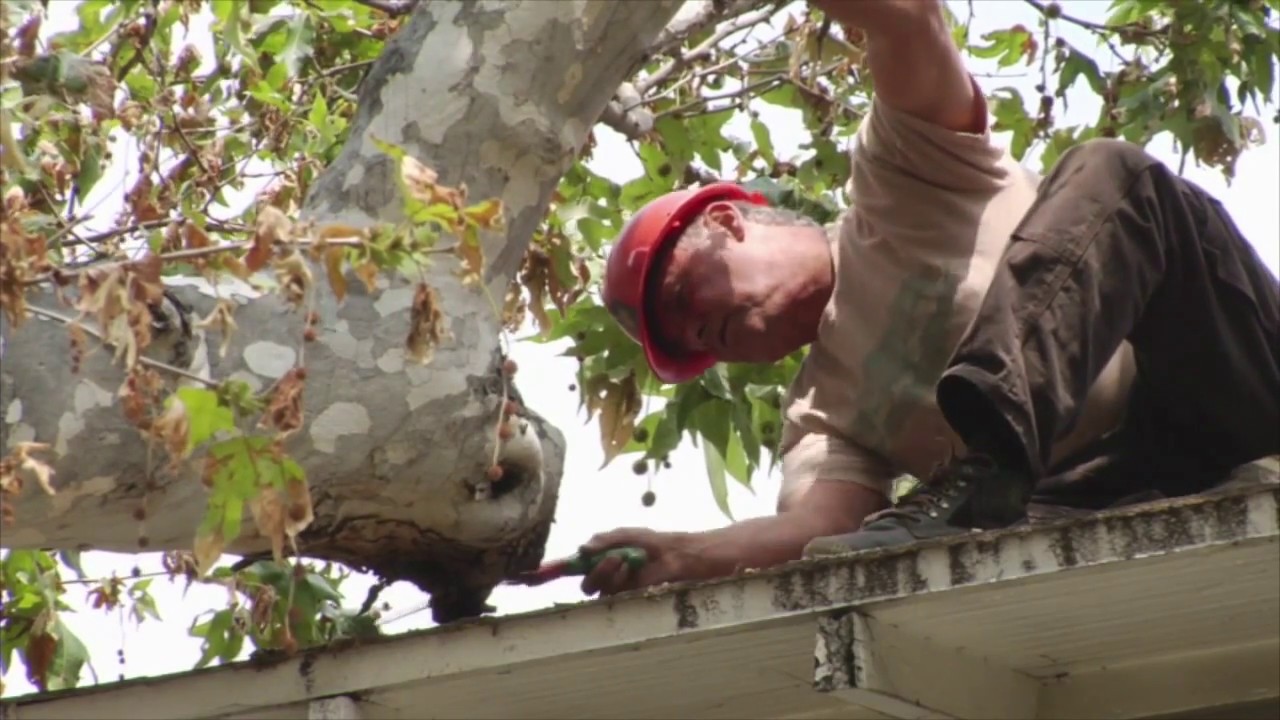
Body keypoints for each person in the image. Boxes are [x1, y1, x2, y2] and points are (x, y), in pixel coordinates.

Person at [579, 0, 1280, 597]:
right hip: (1096, 492)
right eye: (686, 344)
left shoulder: (901, 172)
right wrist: (681, 555)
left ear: (729, 223)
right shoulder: (819, 413)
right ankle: (991, 480)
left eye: (681, 298)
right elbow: (819, 529)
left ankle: (992, 458)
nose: (698, 331)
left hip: (1223, 381)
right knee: (906, 543)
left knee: (1112, 171)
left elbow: (907, 20)